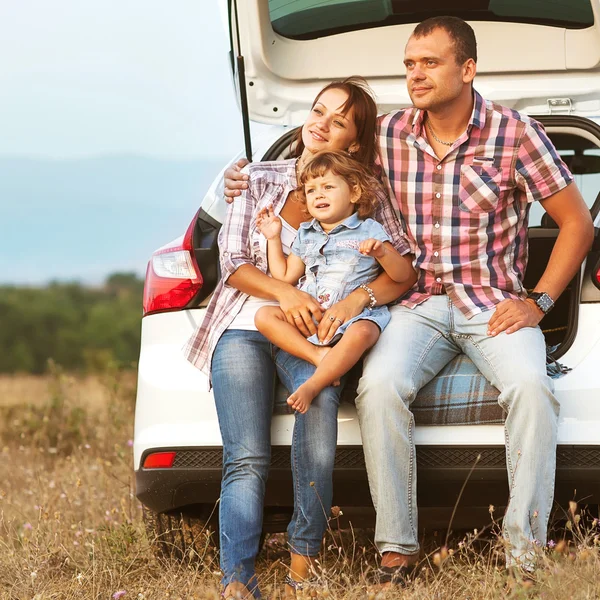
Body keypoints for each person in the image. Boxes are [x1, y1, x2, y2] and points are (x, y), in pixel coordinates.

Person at [223, 17, 594, 582]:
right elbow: (323, 180)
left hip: (491, 301)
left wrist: (538, 303)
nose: (415, 75)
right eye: (409, 64)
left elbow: (577, 225)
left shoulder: (516, 134)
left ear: (466, 69)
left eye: (429, 63)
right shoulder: (391, 135)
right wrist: (246, 181)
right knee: (378, 389)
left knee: (531, 389)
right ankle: (395, 554)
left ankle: (525, 557)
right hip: (412, 305)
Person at [184, 77, 415, 599]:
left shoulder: (365, 193)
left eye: (338, 121)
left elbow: (404, 266)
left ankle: (300, 574)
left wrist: (360, 299)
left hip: (313, 333)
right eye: (317, 111)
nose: (320, 123)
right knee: (246, 456)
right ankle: (238, 583)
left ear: (353, 142)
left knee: (318, 438)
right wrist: (285, 295)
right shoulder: (256, 179)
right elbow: (234, 265)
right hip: (245, 327)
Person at [255, 151, 415, 414]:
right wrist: (273, 238)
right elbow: (284, 276)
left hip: (356, 315)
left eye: (328, 187)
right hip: (313, 316)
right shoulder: (306, 233)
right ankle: (317, 355)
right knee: (264, 315)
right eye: (311, 190)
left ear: (353, 193)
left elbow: (401, 275)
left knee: (365, 332)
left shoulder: (369, 229)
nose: (319, 194)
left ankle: (314, 384)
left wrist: (382, 253)